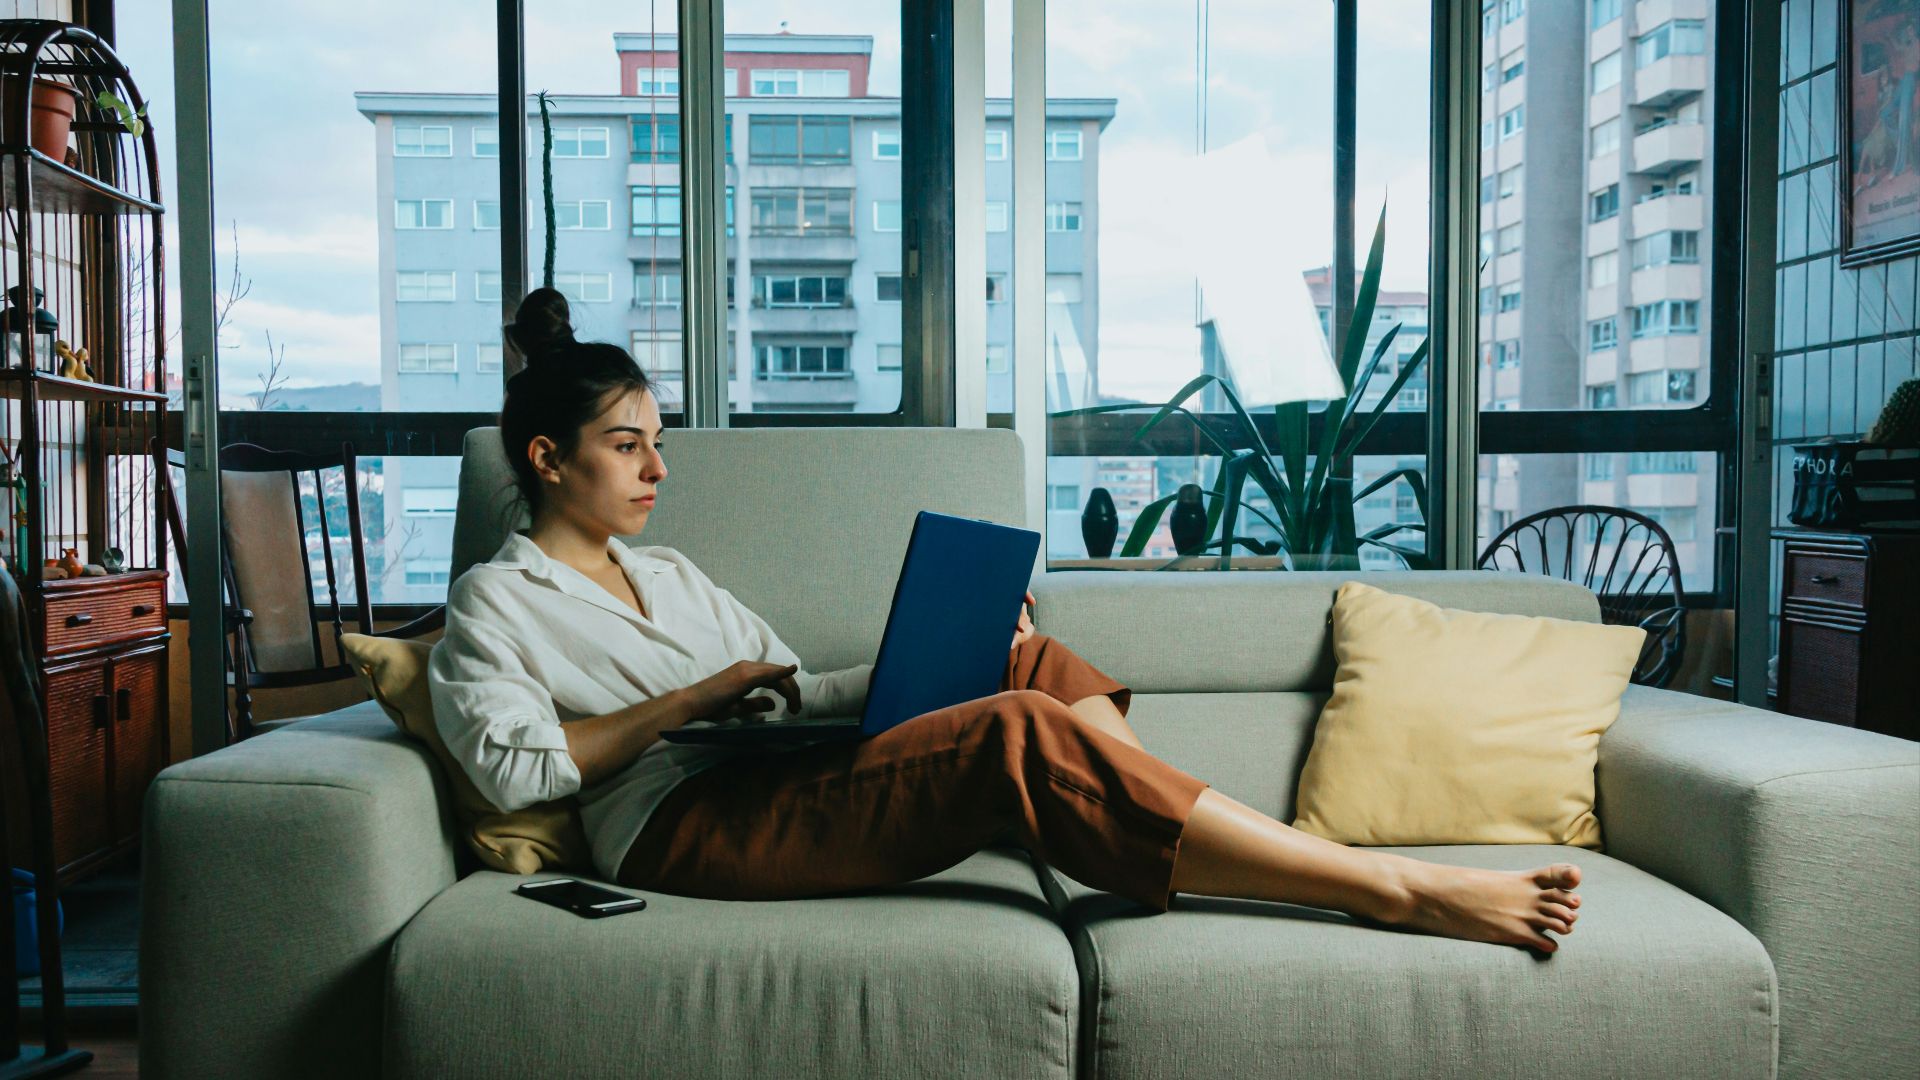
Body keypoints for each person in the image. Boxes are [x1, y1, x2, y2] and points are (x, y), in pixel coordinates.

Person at [429, 289, 1584, 953]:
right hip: (679, 828)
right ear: (549, 458)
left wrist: (954, 647)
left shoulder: (672, 573)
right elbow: (516, 766)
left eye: (658, 442)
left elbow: (791, 692)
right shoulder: (495, 601)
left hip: (772, 774)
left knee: (1027, 661)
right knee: (1016, 733)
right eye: (628, 445)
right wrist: (689, 700)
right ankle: (1389, 887)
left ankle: (1180, 832)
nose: (658, 469)